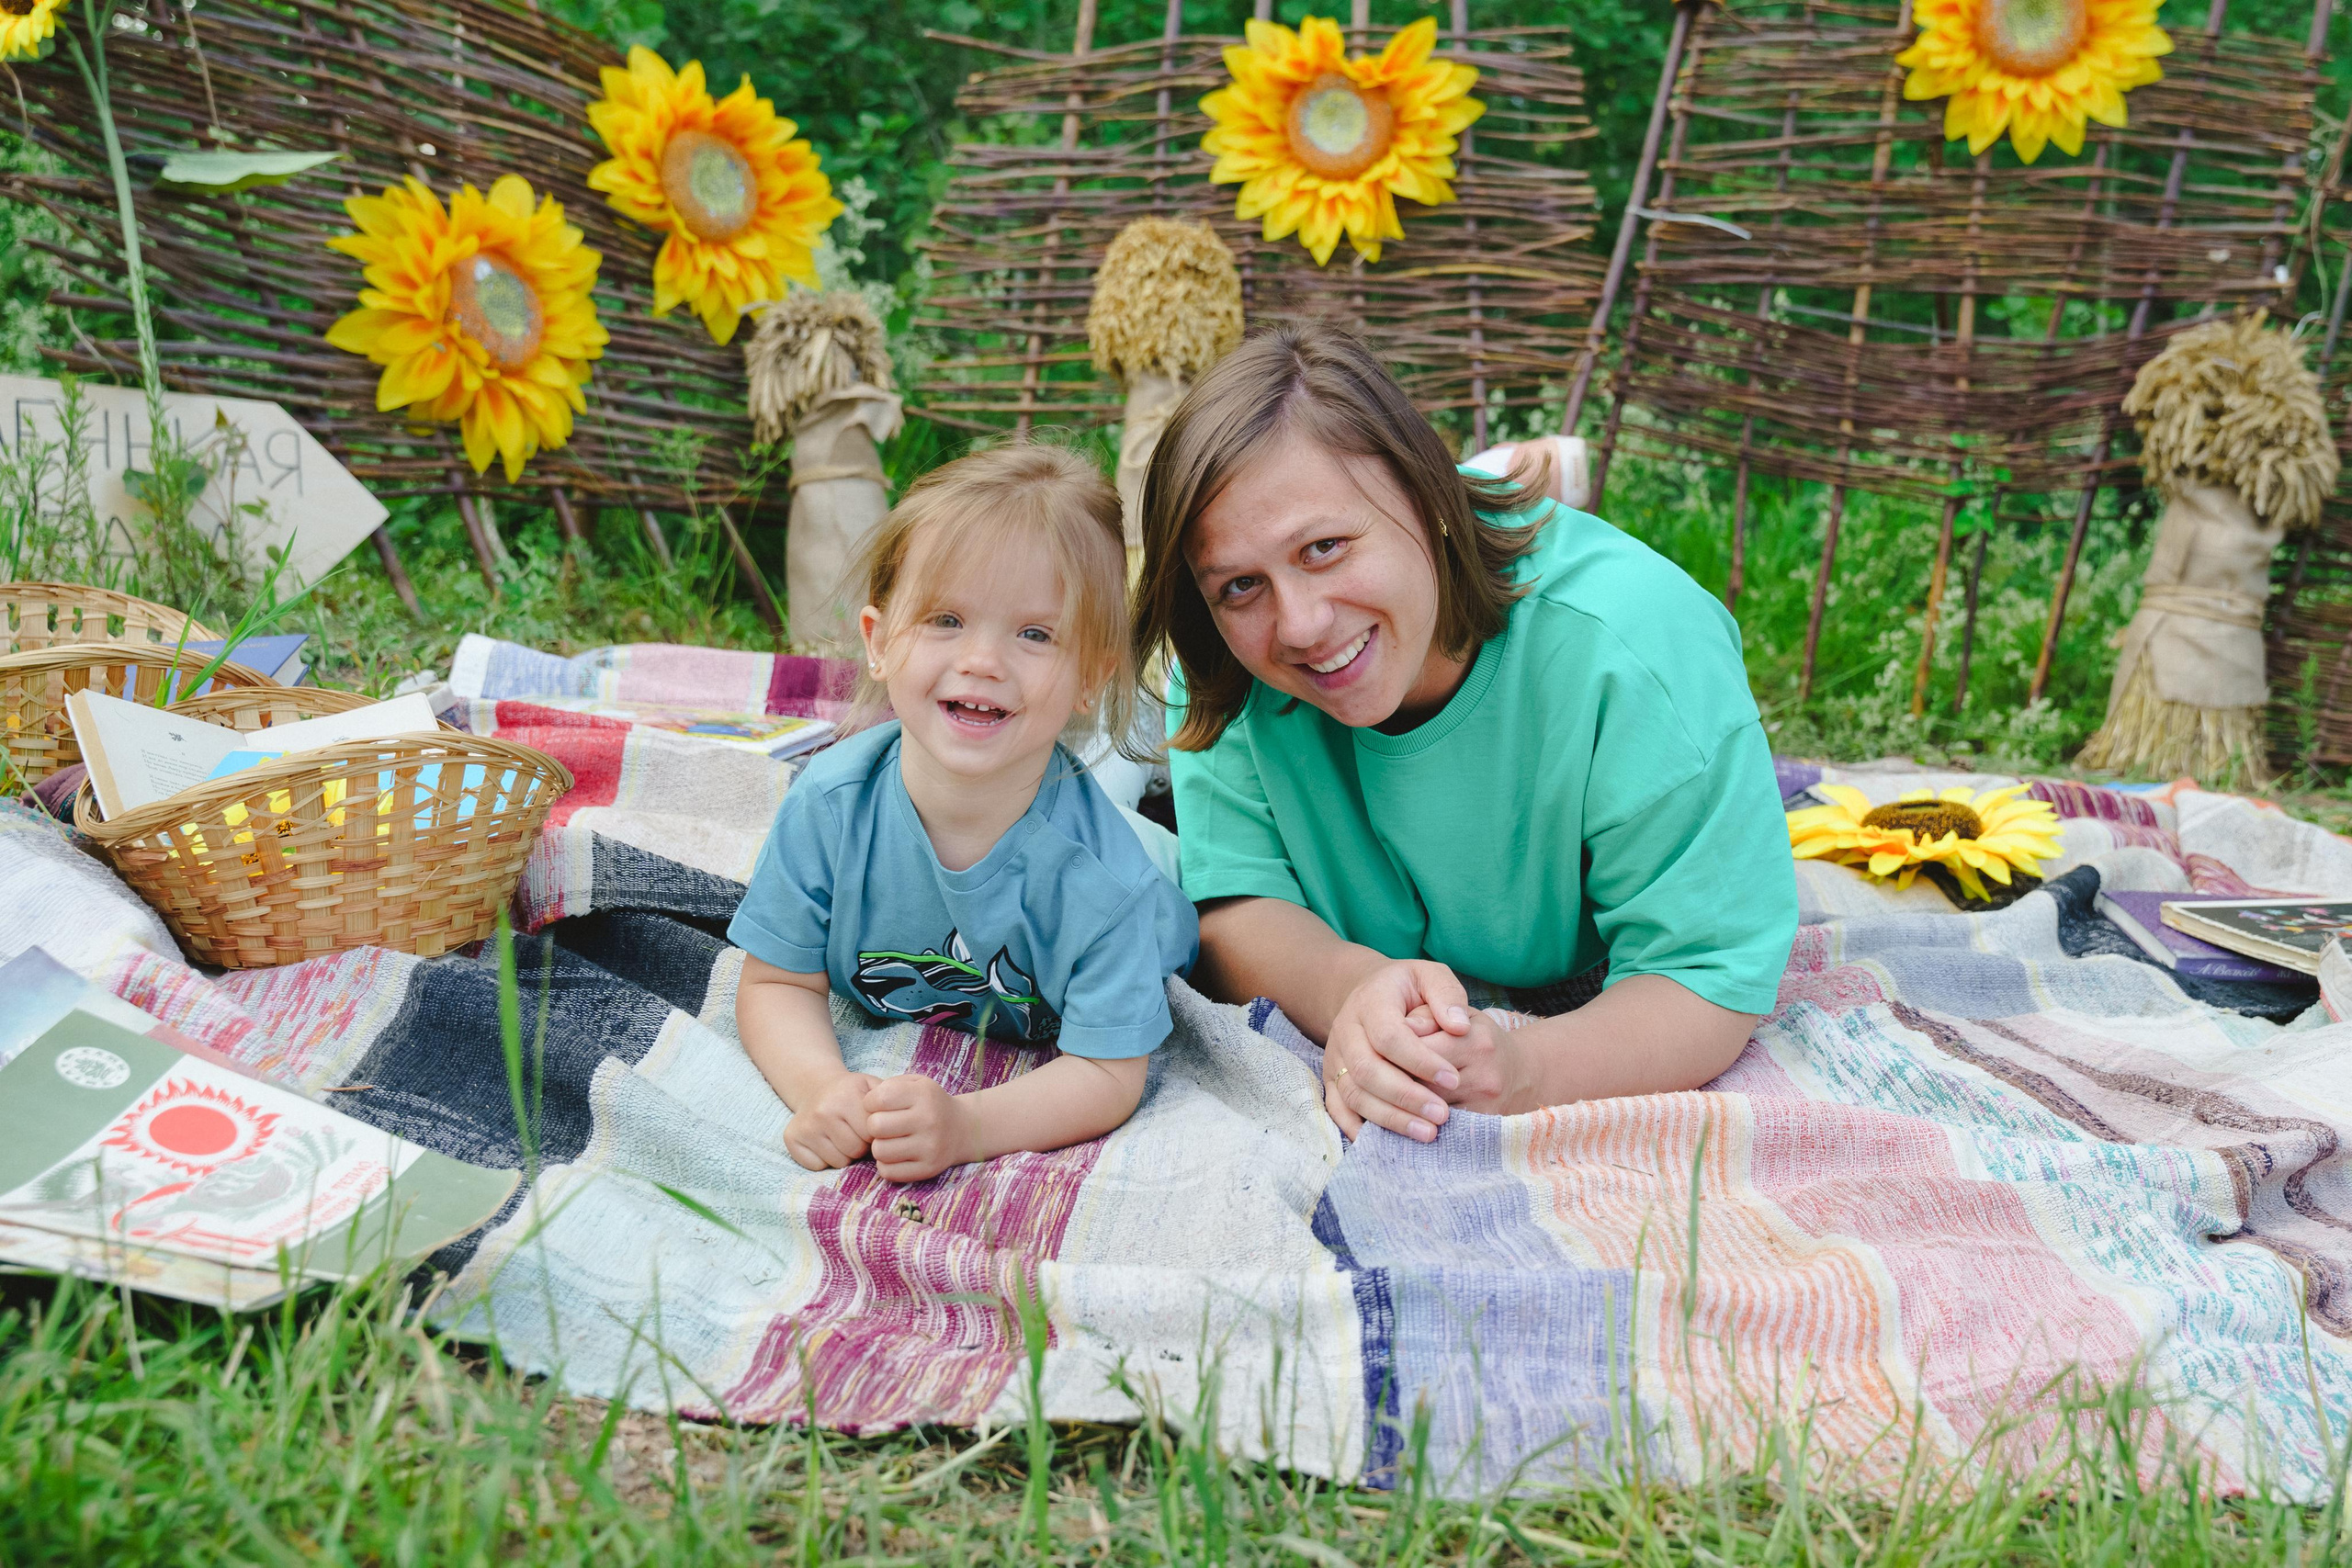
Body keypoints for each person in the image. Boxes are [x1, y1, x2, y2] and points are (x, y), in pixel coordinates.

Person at [1131, 322, 1796, 1145]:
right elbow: (1234, 903)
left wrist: (1525, 1068)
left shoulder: (1638, 652)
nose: (1300, 624)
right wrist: (1354, 989)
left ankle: (1520, 470)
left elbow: (1706, 974)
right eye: (1239, 584)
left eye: (1325, 546)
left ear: (1421, 494)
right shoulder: (1224, 668)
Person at [730, 442, 1198, 1183]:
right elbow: (775, 982)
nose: (982, 659)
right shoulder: (827, 806)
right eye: (946, 618)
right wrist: (822, 1090)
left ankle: (1148, 790)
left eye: (1035, 633)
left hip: (1167, 876)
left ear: (1090, 676)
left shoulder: (1112, 889)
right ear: (878, 641)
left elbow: (1109, 1072)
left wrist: (968, 1125)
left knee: (1178, 868)